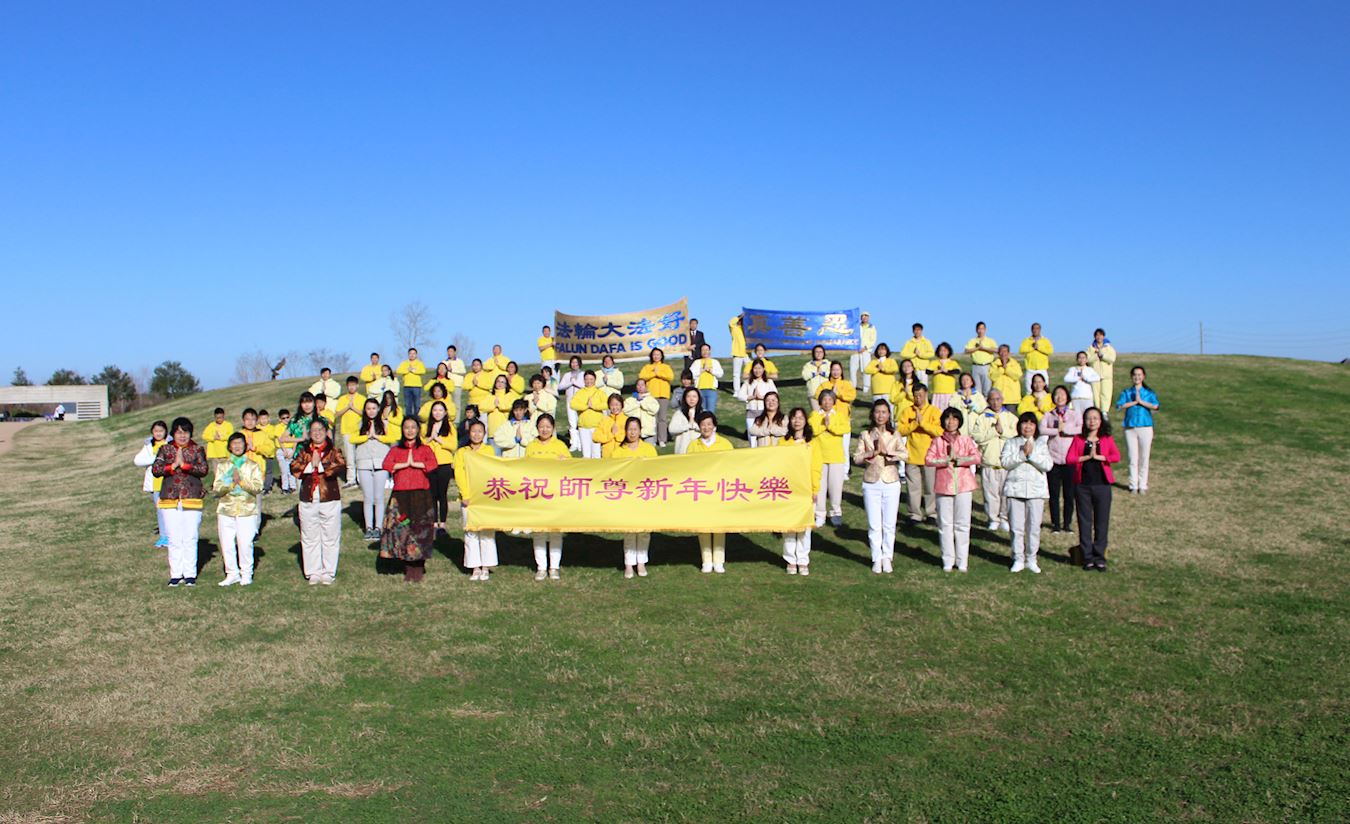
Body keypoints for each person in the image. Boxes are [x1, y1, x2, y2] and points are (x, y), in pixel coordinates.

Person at [378, 416, 438, 582]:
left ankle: (418, 567)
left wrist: (416, 464)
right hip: (401, 495)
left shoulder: (425, 449)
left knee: (420, 530)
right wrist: (404, 464)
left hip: (421, 495)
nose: (410, 430)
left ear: (418, 430)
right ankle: (408, 567)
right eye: (407, 427)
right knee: (403, 530)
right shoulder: (396, 450)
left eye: (413, 427)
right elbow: (386, 464)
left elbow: (433, 464)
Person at [151, 417, 209, 586]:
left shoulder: (197, 449)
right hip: (170, 499)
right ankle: (176, 574)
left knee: (190, 537)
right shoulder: (165, 449)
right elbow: (156, 470)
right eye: (179, 432)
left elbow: (203, 469)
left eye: (186, 432)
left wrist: (185, 466)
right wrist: (172, 466)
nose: (182, 436)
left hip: (191, 498)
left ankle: (190, 574)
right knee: (174, 538)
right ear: (173, 434)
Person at [292, 417, 345, 585]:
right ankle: (313, 571)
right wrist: (310, 466)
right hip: (308, 499)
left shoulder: (333, 450)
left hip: (329, 497)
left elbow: (340, 465)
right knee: (309, 536)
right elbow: (294, 467)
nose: (317, 433)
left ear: (326, 432)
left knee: (330, 536)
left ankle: (328, 571)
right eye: (313, 430)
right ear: (309, 433)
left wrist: (320, 466)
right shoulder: (304, 451)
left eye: (320, 430)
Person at [927, 407, 980, 572]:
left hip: (964, 485)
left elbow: (977, 457)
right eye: (948, 418)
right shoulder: (938, 441)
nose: (951, 422)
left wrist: (960, 460)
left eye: (954, 419)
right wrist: (945, 460)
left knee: (963, 524)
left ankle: (962, 560)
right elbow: (928, 459)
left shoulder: (966, 440)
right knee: (945, 525)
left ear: (959, 421)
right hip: (944, 486)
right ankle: (948, 560)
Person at [853, 399, 904, 574]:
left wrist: (889, 453)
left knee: (889, 524)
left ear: (888, 415)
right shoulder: (865, 435)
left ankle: (887, 556)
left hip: (891, 481)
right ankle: (876, 557)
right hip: (871, 482)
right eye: (877, 412)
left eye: (883, 412)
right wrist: (871, 453)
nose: (880, 416)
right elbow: (856, 457)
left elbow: (905, 454)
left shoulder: (894, 434)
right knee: (874, 524)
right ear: (872, 414)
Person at [1068, 408, 1120, 571]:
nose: (1092, 421)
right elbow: (1069, 458)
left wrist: (1101, 457)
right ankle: (1087, 557)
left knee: (1101, 522)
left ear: (1100, 421)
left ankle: (1100, 557)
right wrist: (1086, 457)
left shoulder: (1106, 439)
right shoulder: (1078, 439)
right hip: (1083, 486)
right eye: (1089, 418)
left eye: (1095, 418)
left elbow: (1116, 456)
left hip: (1102, 486)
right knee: (1084, 521)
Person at [1001, 412, 1052, 573]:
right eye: (1025, 423)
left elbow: (1048, 465)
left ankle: (1031, 558)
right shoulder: (1011, 443)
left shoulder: (1041, 444)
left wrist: (1031, 455)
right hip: (1015, 490)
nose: (1028, 427)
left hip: (1036, 491)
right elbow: (1005, 462)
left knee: (1034, 527)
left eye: (1031, 423)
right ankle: (1018, 558)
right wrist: (1022, 455)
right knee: (1016, 528)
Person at [521, 413, 570, 580]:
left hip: (555, 494)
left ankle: (554, 567)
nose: (544, 429)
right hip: (537, 495)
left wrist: (565, 462)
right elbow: (524, 469)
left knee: (555, 531)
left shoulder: (560, 446)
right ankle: (541, 567)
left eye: (548, 426)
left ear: (553, 428)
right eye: (541, 426)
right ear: (537, 428)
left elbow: (572, 469)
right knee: (539, 531)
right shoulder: (531, 447)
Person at [212, 433, 263, 586]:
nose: (237, 446)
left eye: (240, 443)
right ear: (229, 446)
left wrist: (241, 482)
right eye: (234, 443)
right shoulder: (223, 466)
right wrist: (231, 484)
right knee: (227, 543)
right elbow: (217, 488)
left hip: (246, 510)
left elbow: (258, 487)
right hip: (226, 509)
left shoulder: (252, 465)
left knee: (245, 543)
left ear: (245, 445)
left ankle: (246, 573)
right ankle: (232, 573)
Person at [611, 418, 659, 578]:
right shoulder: (618, 451)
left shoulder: (649, 449)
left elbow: (656, 470)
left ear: (640, 431)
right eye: (630, 429)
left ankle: (641, 562)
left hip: (644, 494)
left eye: (635, 429)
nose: (632, 432)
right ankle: (629, 564)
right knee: (629, 530)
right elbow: (611, 472)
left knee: (644, 530)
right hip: (627, 496)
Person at [688, 412, 733, 573]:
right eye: (703, 424)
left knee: (719, 526)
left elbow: (732, 465)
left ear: (714, 426)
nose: (706, 427)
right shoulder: (693, 445)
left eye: (709, 424)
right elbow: (688, 467)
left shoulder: (725, 444)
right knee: (704, 525)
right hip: (701, 490)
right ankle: (706, 560)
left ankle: (719, 561)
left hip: (720, 489)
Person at [454, 419, 499, 581]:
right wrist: (465, 495)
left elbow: (493, 471)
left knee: (486, 532)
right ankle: (475, 567)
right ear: (469, 433)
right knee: (471, 532)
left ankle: (486, 566)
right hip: (469, 498)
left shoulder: (489, 450)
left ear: (484, 434)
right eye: (474, 431)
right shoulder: (462, 452)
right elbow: (459, 474)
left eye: (480, 431)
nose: (476, 434)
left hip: (485, 497)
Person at [780, 407, 822, 575]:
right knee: (790, 526)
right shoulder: (783, 442)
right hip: (788, 490)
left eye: (800, 418)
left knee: (805, 527)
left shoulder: (813, 443)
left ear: (805, 421)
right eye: (794, 417)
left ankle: (803, 560)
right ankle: (791, 559)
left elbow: (816, 467)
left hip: (806, 490)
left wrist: (815, 489)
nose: (797, 421)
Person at [970, 389, 1018, 530]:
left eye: (998, 399)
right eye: (992, 399)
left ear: (1002, 400)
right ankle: (993, 519)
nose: (995, 402)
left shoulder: (1010, 417)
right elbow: (977, 437)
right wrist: (994, 431)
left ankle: (1004, 518)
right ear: (988, 401)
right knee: (990, 494)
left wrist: (1002, 432)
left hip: (1005, 464)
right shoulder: (982, 418)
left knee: (1005, 493)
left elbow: (1015, 436)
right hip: (989, 463)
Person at [351, 398, 399, 540]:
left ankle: (378, 527)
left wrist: (377, 436)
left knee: (379, 497)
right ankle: (369, 527)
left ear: (378, 409)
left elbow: (392, 438)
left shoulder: (384, 424)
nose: (371, 411)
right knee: (368, 497)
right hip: (364, 463)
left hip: (380, 462)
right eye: (368, 408)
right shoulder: (360, 424)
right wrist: (366, 437)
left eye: (373, 408)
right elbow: (352, 439)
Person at [1040, 386, 1083, 533]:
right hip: (1054, 459)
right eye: (1057, 395)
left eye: (1062, 394)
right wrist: (1056, 430)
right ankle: (1056, 524)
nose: (1060, 397)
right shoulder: (1049, 415)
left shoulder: (1074, 414)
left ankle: (1067, 523)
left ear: (1067, 397)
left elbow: (1080, 429)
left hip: (1069, 460)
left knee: (1069, 494)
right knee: (1054, 494)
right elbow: (1042, 429)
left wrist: (1066, 430)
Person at [898, 384, 941, 522]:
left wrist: (923, 424)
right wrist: (914, 425)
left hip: (929, 456)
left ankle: (931, 513)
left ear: (926, 394)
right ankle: (914, 514)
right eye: (916, 396)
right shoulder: (907, 411)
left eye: (921, 395)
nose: (918, 398)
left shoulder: (934, 411)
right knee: (913, 488)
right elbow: (900, 430)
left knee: (930, 487)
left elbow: (939, 431)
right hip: (912, 455)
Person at [809, 389, 850, 528]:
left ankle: (835, 512)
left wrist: (830, 426)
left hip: (836, 457)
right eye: (824, 399)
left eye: (830, 399)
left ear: (834, 402)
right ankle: (820, 514)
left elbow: (845, 429)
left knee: (835, 487)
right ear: (820, 402)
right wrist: (823, 426)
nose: (827, 402)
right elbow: (812, 430)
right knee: (820, 487)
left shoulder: (839, 415)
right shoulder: (815, 415)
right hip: (819, 456)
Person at [1116, 366, 1160, 494]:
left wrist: (1141, 402)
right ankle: (1133, 485)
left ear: (1143, 376)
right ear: (1131, 377)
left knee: (1144, 457)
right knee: (1132, 457)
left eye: (1139, 375)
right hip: (1130, 427)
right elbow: (1119, 405)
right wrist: (1134, 402)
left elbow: (1155, 406)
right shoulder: (1127, 392)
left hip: (1145, 426)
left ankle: (1143, 485)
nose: (1137, 377)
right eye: (1135, 375)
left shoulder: (1149, 392)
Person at [133, 420, 170, 547]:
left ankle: (171, 534)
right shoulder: (149, 445)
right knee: (160, 510)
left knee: (170, 509)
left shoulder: (170, 443)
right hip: (155, 483)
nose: (158, 433)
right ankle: (163, 537)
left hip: (169, 482)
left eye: (161, 431)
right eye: (155, 431)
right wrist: (154, 459)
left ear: (165, 432)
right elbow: (137, 461)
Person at [424, 400, 458, 530]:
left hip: (444, 464)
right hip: (430, 463)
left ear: (445, 413)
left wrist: (439, 439)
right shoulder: (426, 426)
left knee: (442, 494)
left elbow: (453, 445)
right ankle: (433, 522)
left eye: (440, 410)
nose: (437, 413)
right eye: (435, 410)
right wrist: (430, 439)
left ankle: (442, 523)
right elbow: (422, 444)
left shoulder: (450, 427)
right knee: (432, 494)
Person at [816, 360, 856, 461]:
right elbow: (817, 396)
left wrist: (838, 393)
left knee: (844, 447)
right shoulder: (824, 385)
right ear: (830, 371)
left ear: (841, 371)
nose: (836, 372)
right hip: (828, 419)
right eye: (833, 370)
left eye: (838, 370)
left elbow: (852, 396)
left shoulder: (846, 384)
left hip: (843, 419)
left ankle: (846, 469)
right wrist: (830, 394)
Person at [638, 348, 675, 447]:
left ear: (661, 356)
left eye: (658, 354)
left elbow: (670, 377)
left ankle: (662, 440)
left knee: (662, 419)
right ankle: (653, 439)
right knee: (652, 419)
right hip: (651, 396)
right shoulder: (647, 367)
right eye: (654, 354)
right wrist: (653, 373)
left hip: (663, 395)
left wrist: (659, 373)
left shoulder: (666, 367)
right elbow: (642, 377)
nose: (656, 356)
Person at [333, 377, 366, 488]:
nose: (352, 387)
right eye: (350, 385)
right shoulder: (342, 399)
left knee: (360, 455)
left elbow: (365, 413)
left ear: (357, 386)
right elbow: (337, 414)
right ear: (347, 386)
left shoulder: (362, 398)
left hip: (359, 431)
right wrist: (348, 407)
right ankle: (351, 479)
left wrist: (353, 408)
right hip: (346, 431)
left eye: (353, 385)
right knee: (350, 456)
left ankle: (361, 478)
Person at [736, 359, 777, 446]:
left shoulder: (769, 382)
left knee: (764, 436)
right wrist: (752, 397)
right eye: (755, 368)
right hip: (751, 413)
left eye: (759, 368)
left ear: (763, 369)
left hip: (765, 413)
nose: (757, 371)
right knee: (752, 437)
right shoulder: (748, 383)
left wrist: (762, 397)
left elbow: (775, 395)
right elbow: (740, 396)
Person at [569, 370, 609, 458]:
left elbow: (606, 404)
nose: (589, 381)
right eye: (586, 379)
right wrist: (586, 406)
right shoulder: (580, 392)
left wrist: (594, 406)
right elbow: (573, 404)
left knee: (596, 453)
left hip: (597, 426)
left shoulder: (600, 392)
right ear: (584, 380)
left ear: (595, 380)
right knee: (586, 454)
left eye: (591, 379)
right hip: (583, 427)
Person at [557, 356, 587, 452]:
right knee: (572, 423)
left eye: (576, 362)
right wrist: (570, 383)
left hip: (581, 402)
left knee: (580, 423)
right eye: (573, 362)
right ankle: (574, 443)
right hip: (569, 402)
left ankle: (581, 443)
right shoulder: (567, 375)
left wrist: (575, 383)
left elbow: (586, 386)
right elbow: (560, 386)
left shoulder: (583, 374)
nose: (574, 364)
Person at [964, 322, 998, 397]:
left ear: (985, 330)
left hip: (987, 366)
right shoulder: (972, 341)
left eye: (982, 329)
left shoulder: (990, 340)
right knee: (977, 390)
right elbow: (966, 350)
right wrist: (977, 348)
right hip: (976, 366)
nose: (980, 330)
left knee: (987, 389)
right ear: (976, 330)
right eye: (979, 329)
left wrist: (983, 348)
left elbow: (996, 350)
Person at [485, 374, 520, 448]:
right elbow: (482, 407)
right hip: (492, 433)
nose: (500, 384)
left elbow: (511, 405)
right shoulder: (490, 396)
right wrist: (493, 406)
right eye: (498, 381)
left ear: (506, 385)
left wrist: (499, 405)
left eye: (502, 382)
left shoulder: (510, 395)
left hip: (506, 433)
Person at [591, 393, 629, 458]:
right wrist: (610, 434)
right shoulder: (604, 420)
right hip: (607, 457)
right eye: (612, 405)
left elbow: (630, 437)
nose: (614, 407)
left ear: (622, 405)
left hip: (623, 457)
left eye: (617, 405)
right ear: (609, 406)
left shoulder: (627, 420)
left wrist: (617, 434)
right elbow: (595, 437)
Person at [1088, 329, 1117, 414]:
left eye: (1100, 335)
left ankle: (1104, 412)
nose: (1099, 337)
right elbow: (1088, 360)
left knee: (1106, 393)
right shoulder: (1090, 348)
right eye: (1097, 335)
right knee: (1095, 394)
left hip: (1106, 375)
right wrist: (1096, 356)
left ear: (1103, 336)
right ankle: (1097, 410)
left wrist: (1103, 356)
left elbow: (1112, 359)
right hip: (1094, 376)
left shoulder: (1109, 347)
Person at [1019, 323, 1054, 394]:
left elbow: (1050, 351)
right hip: (1030, 369)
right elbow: (1021, 350)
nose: (1035, 330)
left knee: (1044, 389)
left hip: (1042, 369)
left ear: (1040, 330)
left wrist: (1038, 348)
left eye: (1037, 328)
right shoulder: (1027, 340)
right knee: (1029, 390)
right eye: (1034, 328)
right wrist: (1032, 348)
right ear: (1031, 330)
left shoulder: (1045, 340)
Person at [1064, 352, 1101, 418]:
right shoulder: (1073, 369)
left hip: (1087, 398)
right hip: (1076, 398)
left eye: (1083, 358)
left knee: (1087, 416)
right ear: (1077, 359)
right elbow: (1066, 379)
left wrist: (1086, 378)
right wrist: (1077, 378)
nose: (1081, 360)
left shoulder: (1090, 370)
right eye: (1080, 358)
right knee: (1077, 417)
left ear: (1086, 360)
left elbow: (1097, 377)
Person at [668, 387, 704, 454]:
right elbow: (671, 429)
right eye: (688, 396)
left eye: (694, 396)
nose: (691, 399)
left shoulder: (703, 413)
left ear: (698, 398)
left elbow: (710, 429)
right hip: (682, 450)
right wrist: (687, 426)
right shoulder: (679, 413)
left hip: (699, 451)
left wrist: (694, 425)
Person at [624, 378, 660, 444]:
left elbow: (654, 410)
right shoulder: (630, 400)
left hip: (648, 432)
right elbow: (625, 410)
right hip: (634, 433)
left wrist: (642, 402)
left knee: (649, 449)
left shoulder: (651, 399)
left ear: (646, 386)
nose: (640, 387)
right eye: (638, 385)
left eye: (642, 385)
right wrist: (637, 402)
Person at [864, 343, 898, 410]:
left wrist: (883, 369)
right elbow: (867, 370)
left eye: (883, 349)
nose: (881, 351)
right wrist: (877, 369)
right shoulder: (873, 362)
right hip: (876, 390)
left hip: (888, 390)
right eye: (879, 349)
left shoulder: (891, 361)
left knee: (889, 409)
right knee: (877, 409)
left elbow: (895, 369)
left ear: (887, 351)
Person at [691, 343, 723, 412]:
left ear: (710, 351)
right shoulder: (696, 362)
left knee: (711, 411)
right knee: (701, 411)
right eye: (703, 350)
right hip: (699, 390)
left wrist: (710, 370)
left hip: (711, 390)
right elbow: (691, 375)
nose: (705, 352)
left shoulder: (715, 362)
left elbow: (720, 374)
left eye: (706, 350)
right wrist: (701, 370)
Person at [929, 343, 961, 411]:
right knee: (936, 411)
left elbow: (957, 371)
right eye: (941, 350)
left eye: (945, 350)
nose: (942, 352)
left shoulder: (953, 362)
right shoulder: (934, 362)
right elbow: (928, 371)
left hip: (949, 391)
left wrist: (946, 371)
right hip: (937, 391)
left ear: (948, 352)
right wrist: (938, 371)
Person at [202, 407, 233, 475]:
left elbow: (231, 436)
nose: (219, 419)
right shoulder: (211, 426)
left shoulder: (228, 425)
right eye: (217, 418)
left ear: (224, 416)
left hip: (225, 453)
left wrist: (221, 437)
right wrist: (213, 437)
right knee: (217, 474)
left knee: (228, 473)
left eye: (221, 417)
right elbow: (204, 435)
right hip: (215, 455)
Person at [396, 348, 427, 417]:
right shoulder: (404, 363)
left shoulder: (419, 363)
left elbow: (423, 371)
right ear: (408, 354)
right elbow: (398, 370)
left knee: (417, 404)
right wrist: (407, 370)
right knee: (408, 405)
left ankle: (417, 419)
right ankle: (408, 418)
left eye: (413, 353)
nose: (412, 355)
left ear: (416, 355)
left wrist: (414, 371)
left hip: (417, 386)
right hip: (406, 386)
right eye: (410, 353)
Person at [253, 409, 278, 493]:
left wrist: (263, 434)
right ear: (258, 419)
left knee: (268, 471)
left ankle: (267, 486)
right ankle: (260, 485)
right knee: (260, 470)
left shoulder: (272, 428)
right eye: (262, 419)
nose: (264, 421)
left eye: (265, 418)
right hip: (259, 454)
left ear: (268, 418)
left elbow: (272, 436)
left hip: (269, 453)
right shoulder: (256, 428)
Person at [273, 409, 296, 494]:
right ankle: (285, 487)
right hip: (281, 450)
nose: (286, 419)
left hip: (291, 449)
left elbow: (295, 439)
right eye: (283, 418)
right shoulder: (278, 427)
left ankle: (293, 486)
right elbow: (280, 440)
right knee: (284, 470)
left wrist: (293, 451)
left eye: (287, 417)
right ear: (280, 419)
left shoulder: (293, 426)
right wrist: (284, 451)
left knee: (291, 470)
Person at [802, 345, 831, 411]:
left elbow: (832, 374)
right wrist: (814, 373)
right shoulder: (808, 365)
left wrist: (823, 373)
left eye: (820, 352)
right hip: (813, 394)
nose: (819, 354)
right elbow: (804, 376)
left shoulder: (828, 364)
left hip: (826, 394)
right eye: (817, 352)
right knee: (816, 414)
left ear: (824, 353)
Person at [441, 344, 468, 417]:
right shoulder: (444, 362)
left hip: (457, 385)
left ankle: (456, 419)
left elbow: (463, 371)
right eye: (448, 351)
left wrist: (452, 370)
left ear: (454, 352)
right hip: (446, 385)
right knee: (446, 403)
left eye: (451, 351)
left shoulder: (459, 361)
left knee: (456, 404)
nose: (449, 353)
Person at [852, 311, 877, 390]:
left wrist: (865, 348)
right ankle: (853, 386)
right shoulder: (856, 327)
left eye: (866, 316)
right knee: (853, 369)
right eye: (863, 316)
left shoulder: (872, 327)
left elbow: (873, 340)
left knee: (866, 369)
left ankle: (866, 387)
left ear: (868, 317)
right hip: (855, 350)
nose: (864, 317)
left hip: (866, 351)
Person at [728, 314, 748, 394]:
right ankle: (737, 391)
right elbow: (730, 323)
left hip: (747, 354)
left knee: (749, 372)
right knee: (736, 374)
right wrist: (739, 316)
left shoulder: (747, 330)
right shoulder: (735, 328)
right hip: (737, 353)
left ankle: (748, 389)